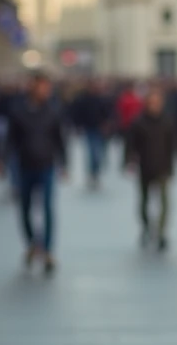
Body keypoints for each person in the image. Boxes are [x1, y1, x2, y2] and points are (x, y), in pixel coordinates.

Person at [9, 72, 66, 274]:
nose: (45, 91)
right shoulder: (19, 111)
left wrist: (64, 163)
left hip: (47, 164)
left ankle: (48, 248)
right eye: (41, 86)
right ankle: (33, 243)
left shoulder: (53, 111)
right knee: (25, 208)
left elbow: (60, 138)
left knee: (48, 208)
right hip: (24, 166)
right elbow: (11, 140)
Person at [125, 88, 177, 251]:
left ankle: (161, 232)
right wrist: (128, 161)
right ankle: (147, 227)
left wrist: (171, 167)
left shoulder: (168, 121)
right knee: (144, 202)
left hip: (163, 167)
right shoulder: (139, 122)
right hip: (145, 167)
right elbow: (130, 144)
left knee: (164, 203)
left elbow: (172, 146)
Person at [70, 79, 113, 188]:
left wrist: (107, 124)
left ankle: (95, 172)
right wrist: (78, 126)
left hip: (99, 129)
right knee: (92, 152)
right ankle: (93, 173)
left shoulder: (101, 99)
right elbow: (76, 113)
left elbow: (108, 113)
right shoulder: (82, 99)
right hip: (89, 129)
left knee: (98, 153)